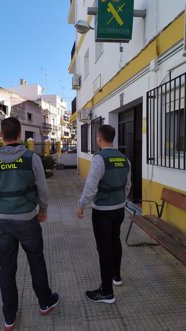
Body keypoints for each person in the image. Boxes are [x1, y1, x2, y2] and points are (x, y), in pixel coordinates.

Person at [0, 117, 59, 331]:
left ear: (1, 135)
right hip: (27, 220)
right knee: (36, 262)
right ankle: (45, 303)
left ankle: (9, 317)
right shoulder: (31, 158)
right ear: (20, 134)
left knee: (7, 268)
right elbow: (42, 190)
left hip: (2, 221)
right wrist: (42, 211)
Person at [76, 125, 131, 304]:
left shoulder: (99, 159)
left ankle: (106, 292)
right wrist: (121, 200)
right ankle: (116, 276)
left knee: (104, 248)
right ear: (112, 138)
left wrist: (81, 205)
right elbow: (128, 185)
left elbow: (91, 186)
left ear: (99, 138)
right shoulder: (124, 159)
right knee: (115, 241)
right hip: (119, 208)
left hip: (103, 212)